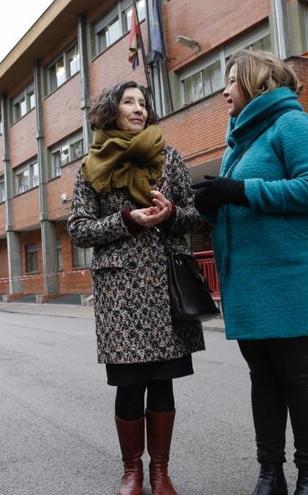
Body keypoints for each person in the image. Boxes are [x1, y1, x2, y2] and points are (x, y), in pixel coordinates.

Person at [192, 50, 308, 495]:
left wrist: (239, 189)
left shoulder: (293, 123)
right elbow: (238, 203)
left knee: (298, 376)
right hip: (248, 281)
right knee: (263, 380)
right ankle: (269, 473)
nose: (223, 90)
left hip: (287, 277)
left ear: (254, 82)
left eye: (231, 81)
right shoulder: (238, 141)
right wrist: (211, 203)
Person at [68, 80, 205, 495]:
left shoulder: (170, 158)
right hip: (120, 293)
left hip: (164, 288)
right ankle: (132, 471)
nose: (138, 108)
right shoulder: (92, 167)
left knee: (162, 383)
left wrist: (171, 214)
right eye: (129, 101)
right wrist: (127, 220)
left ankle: (160, 472)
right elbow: (78, 229)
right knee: (128, 384)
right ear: (112, 110)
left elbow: (198, 217)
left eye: (143, 102)